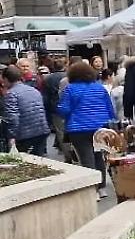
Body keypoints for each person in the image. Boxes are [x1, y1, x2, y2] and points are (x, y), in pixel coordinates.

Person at [56, 61, 115, 200]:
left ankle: (93, 189)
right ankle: (102, 188)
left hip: (79, 129)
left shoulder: (70, 89)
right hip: (99, 127)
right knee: (98, 156)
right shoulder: (99, 87)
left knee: (86, 157)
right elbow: (110, 109)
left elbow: (64, 109)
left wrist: (60, 110)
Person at [3, 65, 51, 155]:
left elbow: (13, 117)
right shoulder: (33, 90)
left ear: (6, 79)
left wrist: (11, 137)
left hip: (25, 134)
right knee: (37, 160)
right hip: (41, 130)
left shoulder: (11, 94)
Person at [42, 58, 71, 159]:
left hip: (55, 107)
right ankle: (73, 152)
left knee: (60, 131)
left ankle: (67, 154)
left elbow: (46, 96)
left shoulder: (48, 78)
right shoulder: (68, 77)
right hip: (68, 106)